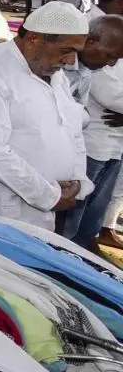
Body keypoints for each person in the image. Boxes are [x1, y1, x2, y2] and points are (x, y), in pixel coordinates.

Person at [0, 2, 95, 229]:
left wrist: (76, 180)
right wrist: (49, 196)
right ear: (34, 38)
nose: (70, 61)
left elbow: (70, 128)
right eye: (66, 50)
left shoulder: (52, 73)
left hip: (46, 203)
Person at [61, 16, 123, 249]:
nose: (111, 63)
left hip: (108, 144)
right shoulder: (77, 66)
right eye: (110, 56)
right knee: (73, 208)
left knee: (95, 205)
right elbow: (112, 97)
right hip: (93, 143)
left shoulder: (89, 67)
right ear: (91, 42)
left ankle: (80, 248)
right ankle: (66, 250)